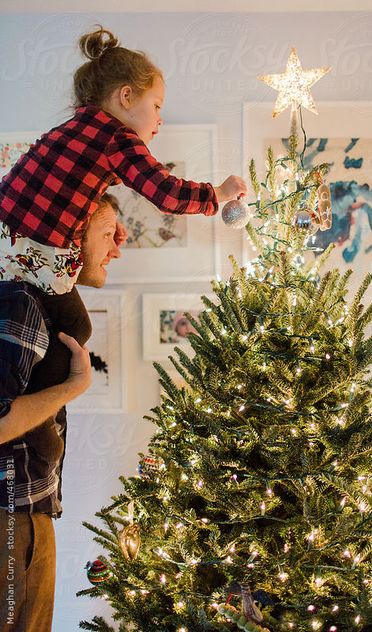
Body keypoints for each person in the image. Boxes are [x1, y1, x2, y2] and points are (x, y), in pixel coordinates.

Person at [0, 24, 246, 297]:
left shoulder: (74, 128)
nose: (159, 119)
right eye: (156, 106)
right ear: (126, 96)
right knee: (74, 325)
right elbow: (165, 193)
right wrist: (219, 193)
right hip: (39, 254)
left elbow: (59, 195)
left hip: (5, 236)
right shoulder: (117, 137)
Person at [0, 194, 121, 632]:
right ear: (69, 239)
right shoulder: (21, 302)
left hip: (25, 513)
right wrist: (74, 386)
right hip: (10, 518)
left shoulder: (34, 302)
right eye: (107, 234)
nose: (116, 248)